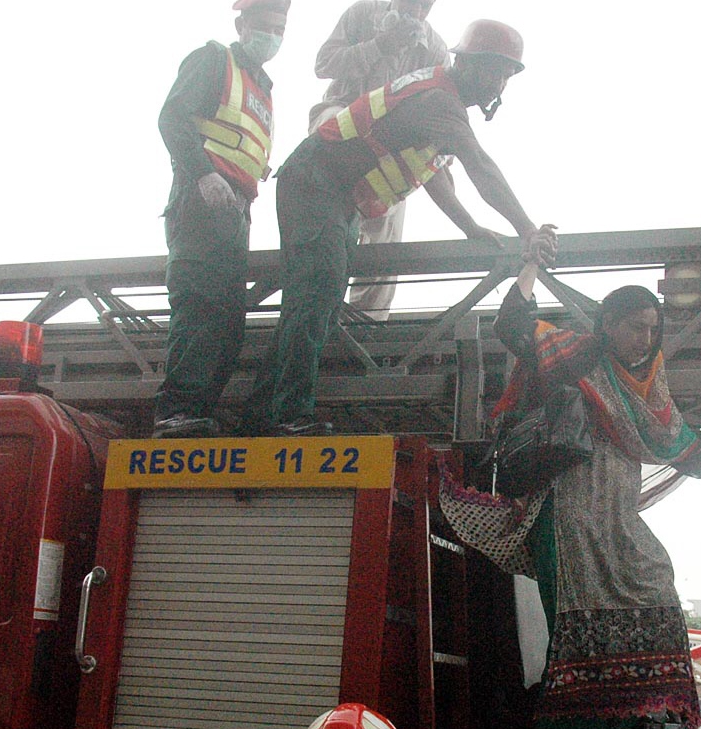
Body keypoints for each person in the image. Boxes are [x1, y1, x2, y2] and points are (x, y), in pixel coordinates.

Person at [489, 259, 701, 729]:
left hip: (617, 520)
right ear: (607, 325)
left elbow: (692, 454)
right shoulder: (573, 354)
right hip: (566, 518)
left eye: (653, 330)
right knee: (576, 648)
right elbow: (509, 323)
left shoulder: (652, 387)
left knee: (657, 591)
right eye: (636, 327)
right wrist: (530, 260)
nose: (645, 338)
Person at [245, 19, 549, 436]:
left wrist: (470, 226)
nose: (499, 83)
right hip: (316, 185)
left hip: (330, 193)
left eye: (507, 74)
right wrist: (527, 228)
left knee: (316, 300)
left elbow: (433, 172)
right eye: (494, 70)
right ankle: (285, 415)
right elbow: (480, 166)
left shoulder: (440, 100)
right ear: (467, 63)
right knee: (315, 294)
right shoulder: (441, 100)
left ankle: (264, 413)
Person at [153, 0, 289, 439]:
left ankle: (196, 413)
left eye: (279, 28)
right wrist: (203, 173)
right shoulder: (214, 60)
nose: (272, 35)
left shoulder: (262, 88)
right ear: (241, 24)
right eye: (264, 25)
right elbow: (171, 117)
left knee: (228, 318)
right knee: (199, 303)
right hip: (201, 198)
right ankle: (177, 411)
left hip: (235, 209)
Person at [308, 1, 449, 318]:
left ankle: (368, 322)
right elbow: (323, 64)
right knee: (322, 166)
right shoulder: (361, 14)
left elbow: (441, 117)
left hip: (390, 144)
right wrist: (379, 46)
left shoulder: (435, 49)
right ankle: (313, 303)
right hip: (342, 116)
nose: (418, 10)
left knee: (388, 212)